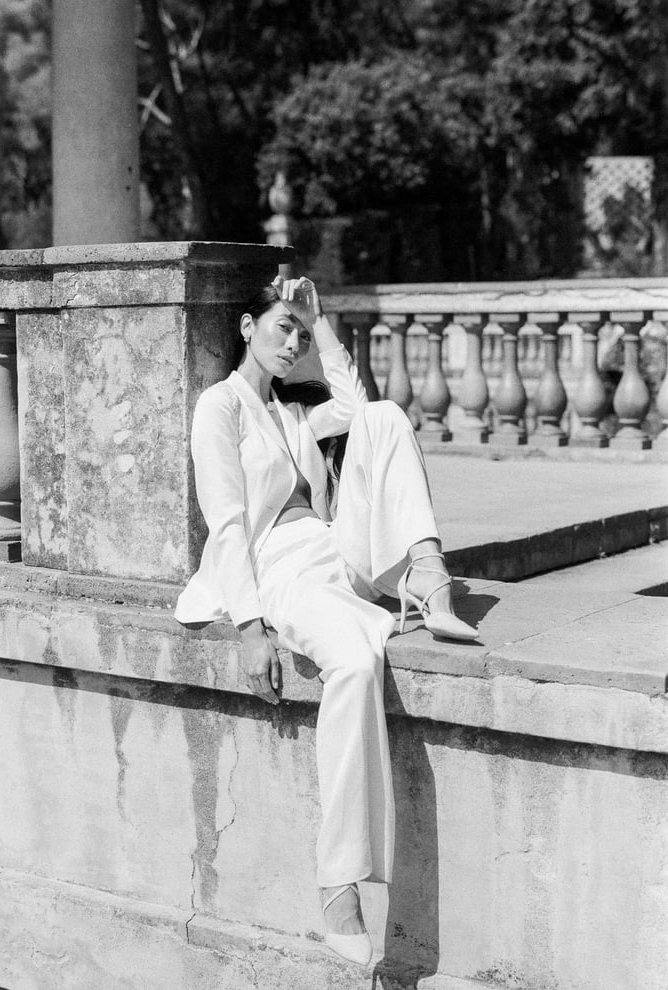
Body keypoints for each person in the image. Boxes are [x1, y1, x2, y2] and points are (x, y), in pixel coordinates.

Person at [175, 275, 477, 966]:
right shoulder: (219, 408)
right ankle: (339, 880)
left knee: (384, 416)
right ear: (246, 327)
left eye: (299, 335)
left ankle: (428, 572)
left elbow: (353, 402)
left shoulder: (289, 414)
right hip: (281, 565)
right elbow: (224, 521)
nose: (291, 341)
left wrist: (322, 320)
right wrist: (252, 628)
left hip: (338, 548)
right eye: (281, 326)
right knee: (355, 661)